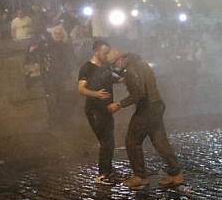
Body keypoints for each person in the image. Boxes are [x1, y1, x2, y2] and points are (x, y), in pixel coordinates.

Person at [107, 50, 184, 190]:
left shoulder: (131, 69)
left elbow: (139, 93)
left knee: (132, 141)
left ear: (122, 59)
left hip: (146, 109)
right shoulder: (140, 63)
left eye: (115, 63)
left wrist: (119, 104)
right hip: (156, 105)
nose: (115, 66)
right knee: (160, 141)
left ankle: (140, 176)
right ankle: (176, 174)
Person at [77, 39, 117, 185]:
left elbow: (112, 78)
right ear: (96, 51)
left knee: (109, 141)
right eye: (104, 52)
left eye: (108, 53)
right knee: (106, 141)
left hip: (107, 109)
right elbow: (81, 89)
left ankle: (107, 170)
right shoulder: (86, 68)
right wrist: (96, 94)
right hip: (94, 109)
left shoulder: (106, 66)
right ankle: (103, 175)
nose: (106, 55)